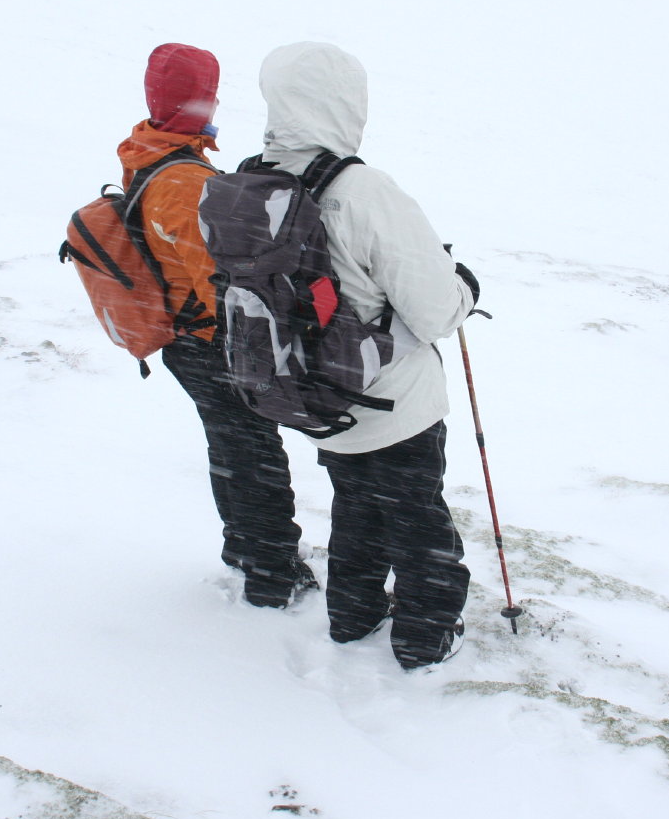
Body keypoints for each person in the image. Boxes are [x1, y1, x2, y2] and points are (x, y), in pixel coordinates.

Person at [254, 42, 480, 669]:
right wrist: (465, 287)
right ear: (345, 101)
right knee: (416, 519)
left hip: (310, 391)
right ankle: (424, 640)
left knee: (355, 506)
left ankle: (352, 618)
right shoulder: (361, 190)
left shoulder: (254, 182)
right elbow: (434, 311)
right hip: (391, 396)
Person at [117, 43, 315, 608]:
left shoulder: (150, 149)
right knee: (255, 455)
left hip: (187, 337)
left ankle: (245, 549)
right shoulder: (183, 179)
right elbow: (218, 277)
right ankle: (273, 575)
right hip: (210, 340)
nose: (215, 104)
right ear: (190, 102)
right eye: (207, 95)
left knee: (232, 448)